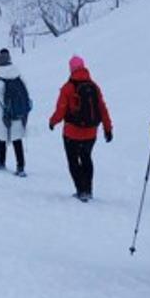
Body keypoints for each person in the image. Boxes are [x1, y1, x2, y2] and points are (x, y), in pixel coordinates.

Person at [49, 56, 113, 201]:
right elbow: (102, 109)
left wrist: (53, 122)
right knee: (86, 158)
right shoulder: (94, 86)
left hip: (72, 133)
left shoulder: (68, 87)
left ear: (71, 69)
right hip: (91, 133)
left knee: (73, 161)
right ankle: (88, 190)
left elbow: (61, 110)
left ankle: (80, 190)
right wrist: (108, 128)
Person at [0, 49, 30, 177]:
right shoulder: (19, 78)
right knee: (17, 140)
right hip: (19, 115)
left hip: (3, 117)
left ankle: (1, 161)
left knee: (1, 139)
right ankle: (20, 166)